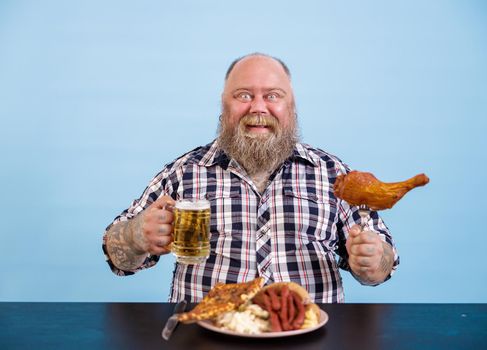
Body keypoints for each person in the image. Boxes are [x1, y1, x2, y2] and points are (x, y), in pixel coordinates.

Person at [102, 53, 399, 303]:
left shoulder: (332, 174)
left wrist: (373, 261)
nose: (258, 107)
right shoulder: (184, 172)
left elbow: (384, 264)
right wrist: (135, 235)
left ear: (291, 105)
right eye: (244, 95)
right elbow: (117, 256)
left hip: (309, 335)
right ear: (224, 104)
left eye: (272, 96)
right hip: (206, 338)